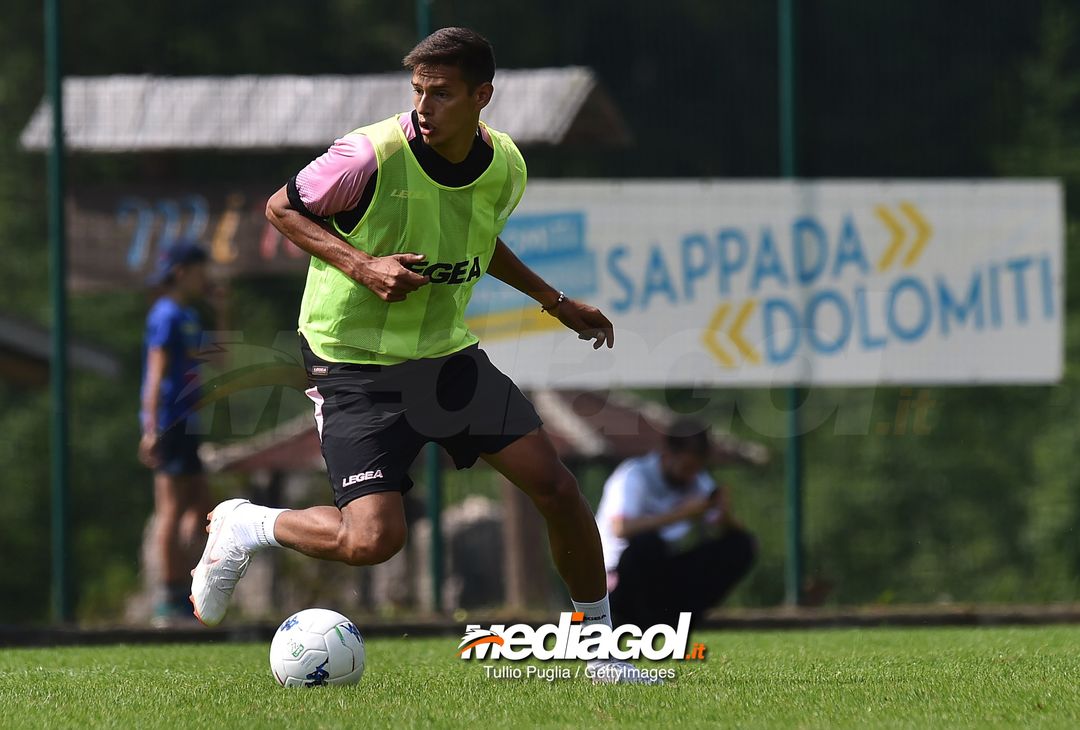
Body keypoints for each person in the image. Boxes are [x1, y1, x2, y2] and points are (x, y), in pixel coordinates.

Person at [190, 27, 657, 684]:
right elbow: (282, 210)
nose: (424, 107)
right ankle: (249, 525)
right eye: (418, 92)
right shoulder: (368, 155)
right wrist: (364, 266)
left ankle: (600, 651)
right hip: (353, 361)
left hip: (444, 357)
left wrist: (556, 302)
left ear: (481, 96)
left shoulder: (507, 167)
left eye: (441, 94)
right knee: (373, 541)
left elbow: (479, 239)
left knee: (556, 486)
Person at [596, 418, 757, 628]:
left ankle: (677, 622)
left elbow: (732, 533)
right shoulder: (634, 475)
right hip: (617, 577)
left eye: (697, 468)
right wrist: (681, 514)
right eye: (687, 466)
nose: (691, 475)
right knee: (648, 544)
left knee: (741, 545)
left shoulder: (696, 480)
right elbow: (621, 528)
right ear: (668, 454)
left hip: (661, 576)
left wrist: (725, 514)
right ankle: (634, 622)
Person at [139, 240, 212, 626]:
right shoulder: (165, 314)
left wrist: (224, 309)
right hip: (169, 423)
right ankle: (168, 599)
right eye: (203, 271)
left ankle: (187, 586)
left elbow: (218, 356)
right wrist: (150, 428)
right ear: (183, 271)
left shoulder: (188, 315)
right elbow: (155, 373)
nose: (208, 278)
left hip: (188, 423)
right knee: (170, 510)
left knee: (202, 509)